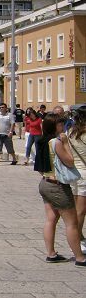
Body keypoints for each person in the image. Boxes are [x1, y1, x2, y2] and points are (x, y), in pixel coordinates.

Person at [34, 113, 86, 267]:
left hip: (45, 182)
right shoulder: (56, 142)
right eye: (60, 124)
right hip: (57, 186)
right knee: (72, 223)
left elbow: (38, 165)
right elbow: (70, 161)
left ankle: (51, 253)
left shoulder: (42, 141)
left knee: (51, 219)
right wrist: (65, 144)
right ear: (54, 126)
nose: (63, 126)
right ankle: (80, 257)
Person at [68, 106, 86, 254]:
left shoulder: (70, 133)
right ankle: (77, 239)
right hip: (85, 174)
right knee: (81, 211)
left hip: (74, 173)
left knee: (75, 209)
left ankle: (78, 236)